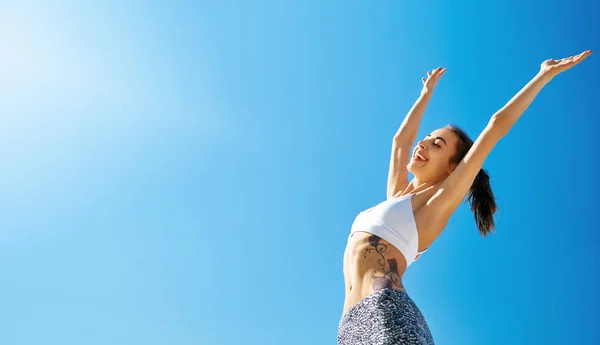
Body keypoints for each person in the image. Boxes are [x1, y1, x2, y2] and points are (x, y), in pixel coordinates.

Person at [337, 50, 592, 345]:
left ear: (453, 167)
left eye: (437, 144)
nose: (423, 143)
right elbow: (400, 141)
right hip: (350, 325)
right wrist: (426, 93)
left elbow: (495, 127)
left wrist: (543, 76)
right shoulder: (398, 197)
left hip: (387, 313)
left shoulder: (437, 202)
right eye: (427, 138)